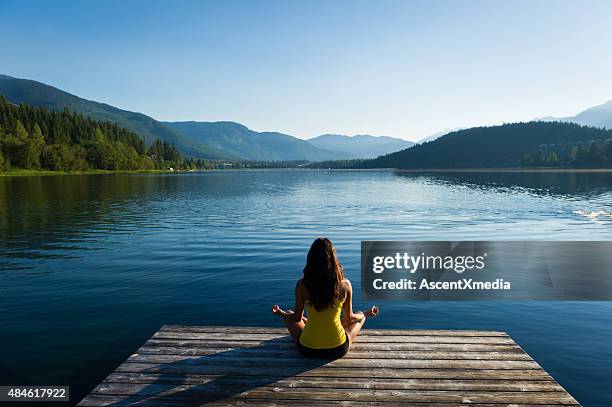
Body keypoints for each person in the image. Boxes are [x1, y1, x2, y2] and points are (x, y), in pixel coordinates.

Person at [272, 237, 379, 358]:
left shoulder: (302, 285)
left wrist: (282, 313)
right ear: (333, 259)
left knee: (289, 315)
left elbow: (296, 318)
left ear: (310, 259)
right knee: (359, 318)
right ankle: (364, 316)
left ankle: (311, 327)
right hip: (337, 349)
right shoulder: (345, 285)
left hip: (307, 349)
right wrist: (365, 313)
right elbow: (349, 319)